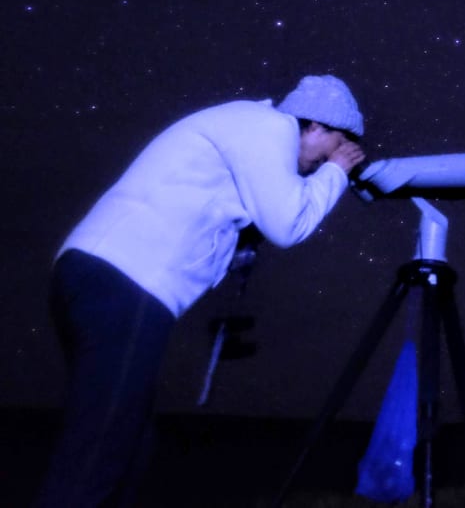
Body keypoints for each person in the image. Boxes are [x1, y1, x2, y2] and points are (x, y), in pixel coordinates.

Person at [33, 75, 367, 507]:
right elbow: (289, 225)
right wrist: (338, 174)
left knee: (131, 445)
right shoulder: (269, 126)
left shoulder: (246, 134)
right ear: (316, 125)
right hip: (127, 282)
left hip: (100, 278)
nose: (327, 162)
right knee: (97, 451)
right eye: (334, 146)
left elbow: (253, 216)